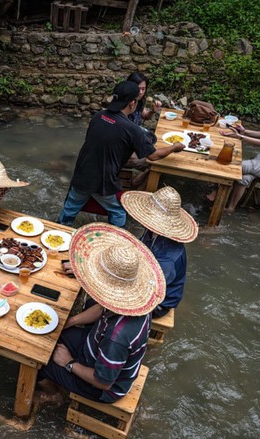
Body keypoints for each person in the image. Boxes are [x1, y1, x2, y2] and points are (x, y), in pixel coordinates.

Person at [36, 222, 165, 403]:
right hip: (94, 348)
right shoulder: (130, 303)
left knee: (39, 360)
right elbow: (100, 309)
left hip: (103, 387)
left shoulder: (117, 337)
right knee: (52, 334)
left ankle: (53, 394)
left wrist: (69, 363)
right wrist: (70, 321)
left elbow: (103, 382)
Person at [58, 81, 184, 228]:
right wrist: (174, 147)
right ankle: (117, 239)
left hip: (82, 174)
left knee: (70, 209)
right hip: (102, 180)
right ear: (132, 103)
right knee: (118, 211)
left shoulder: (98, 116)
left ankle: (58, 231)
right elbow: (153, 156)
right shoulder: (132, 129)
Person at [121, 186, 198, 318]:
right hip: (147, 273)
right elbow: (138, 247)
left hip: (158, 300)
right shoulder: (152, 231)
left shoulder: (168, 260)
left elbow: (149, 290)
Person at [125, 72, 163, 188]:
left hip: (135, 142)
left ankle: (142, 178)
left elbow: (145, 116)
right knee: (157, 161)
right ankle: (137, 184)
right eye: (138, 89)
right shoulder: (124, 103)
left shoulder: (138, 101)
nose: (141, 92)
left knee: (159, 155)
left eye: (143, 89)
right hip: (125, 149)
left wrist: (153, 111)